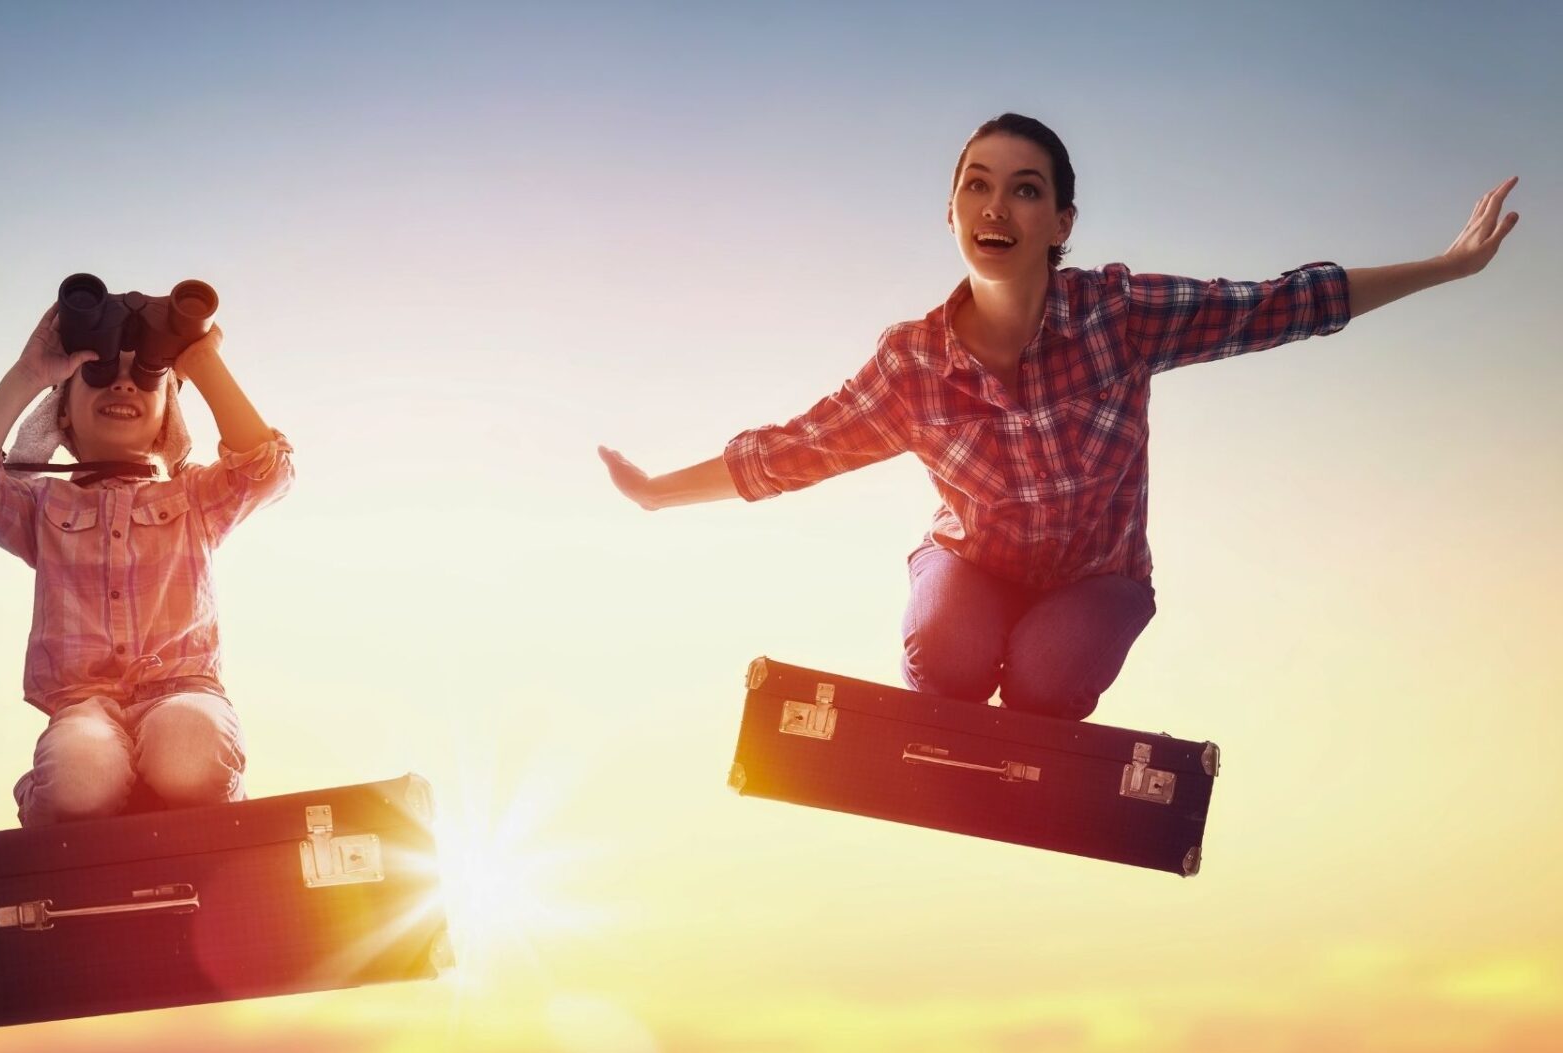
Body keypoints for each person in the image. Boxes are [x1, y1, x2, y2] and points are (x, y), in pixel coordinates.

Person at [599, 113, 1519, 721]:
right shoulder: (913, 364)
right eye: (976, 184)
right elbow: (791, 454)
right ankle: (948, 707)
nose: (996, 207)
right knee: (951, 652)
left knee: (1044, 684)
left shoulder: (1119, 316)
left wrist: (1448, 266)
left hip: (1098, 578)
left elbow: (1283, 304)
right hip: (972, 568)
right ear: (952, 208)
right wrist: (656, 496)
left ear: (1059, 218)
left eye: (1025, 189)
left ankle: (1043, 689)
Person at [0, 303, 294, 826]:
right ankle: (54, 810)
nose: (123, 386)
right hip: (85, 707)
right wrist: (29, 375)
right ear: (62, 414)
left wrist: (200, 362)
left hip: (183, 691)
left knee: (190, 745)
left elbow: (264, 470)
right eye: (98, 376)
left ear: (167, 417)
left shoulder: (194, 498)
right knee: (81, 771)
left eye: (144, 380)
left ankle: (215, 817)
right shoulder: (42, 506)